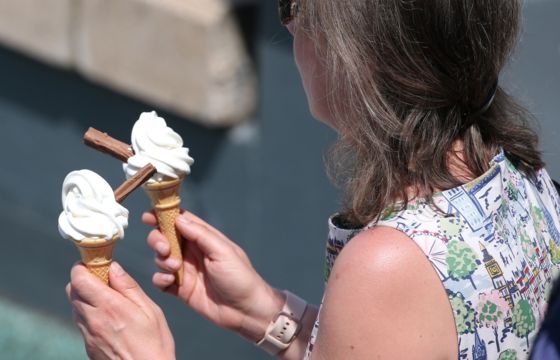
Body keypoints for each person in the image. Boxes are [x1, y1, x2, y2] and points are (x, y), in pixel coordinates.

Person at [66, 1, 560, 359]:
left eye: (296, 6)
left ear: (359, 56)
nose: (289, 24)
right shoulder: (521, 170)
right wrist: (270, 317)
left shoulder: (389, 264)